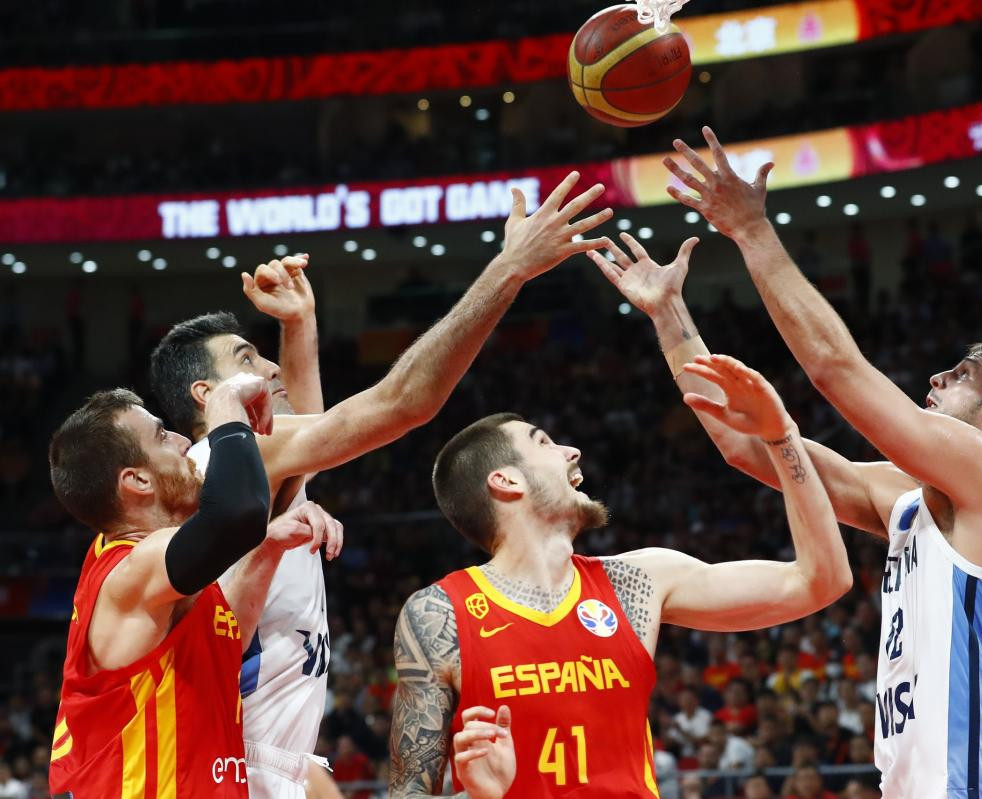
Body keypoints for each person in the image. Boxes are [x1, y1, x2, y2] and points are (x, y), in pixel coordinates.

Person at [600, 125, 982, 798]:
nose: (937, 376)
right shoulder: (905, 497)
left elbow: (834, 368)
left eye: (963, 374)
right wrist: (670, 316)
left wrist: (752, 231)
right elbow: (744, 444)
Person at [148, 172, 613, 799]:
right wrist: (510, 269)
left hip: (261, 751)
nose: (266, 370)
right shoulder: (230, 457)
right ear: (208, 396)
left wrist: (300, 325)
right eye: (246, 360)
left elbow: (306, 449)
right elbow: (401, 403)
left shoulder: (234, 477)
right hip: (229, 761)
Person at [388, 353, 853, 797]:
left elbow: (820, 581)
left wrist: (781, 438)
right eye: (543, 442)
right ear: (507, 481)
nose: (572, 451)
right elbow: (406, 792)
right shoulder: (438, 613)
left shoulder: (637, 582)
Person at [46, 375, 338, 796]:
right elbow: (236, 514)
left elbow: (222, 640)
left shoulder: (159, 581)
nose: (184, 441)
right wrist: (224, 407)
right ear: (137, 481)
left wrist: (269, 548)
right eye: (163, 435)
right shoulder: (131, 568)